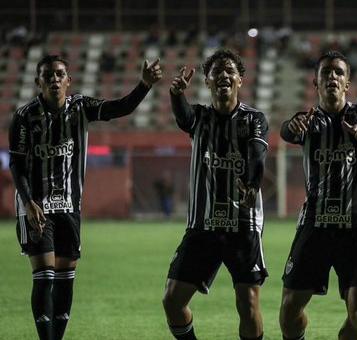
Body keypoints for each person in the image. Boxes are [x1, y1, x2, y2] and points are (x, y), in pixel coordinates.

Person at [8, 54, 162, 340]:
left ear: (69, 80)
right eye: (48, 75)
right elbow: (16, 163)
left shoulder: (80, 107)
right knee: (44, 275)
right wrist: (28, 202)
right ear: (37, 81)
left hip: (69, 206)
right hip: (35, 208)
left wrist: (144, 84)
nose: (54, 79)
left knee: (66, 279)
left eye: (59, 74)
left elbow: (121, 108)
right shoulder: (24, 117)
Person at [278, 51, 357, 340]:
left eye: (339, 72)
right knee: (290, 310)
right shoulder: (307, 121)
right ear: (315, 83)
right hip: (315, 225)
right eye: (326, 72)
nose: (332, 76)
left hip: (356, 226)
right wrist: (290, 127)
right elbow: (287, 131)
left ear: (347, 83)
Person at [162, 49, 269, 340]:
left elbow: (258, 155)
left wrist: (252, 185)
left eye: (230, 70)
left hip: (242, 226)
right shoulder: (200, 118)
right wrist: (175, 95)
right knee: (172, 301)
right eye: (217, 71)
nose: (224, 75)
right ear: (207, 81)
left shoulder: (254, 119)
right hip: (203, 226)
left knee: (247, 305)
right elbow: (183, 117)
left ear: (240, 80)